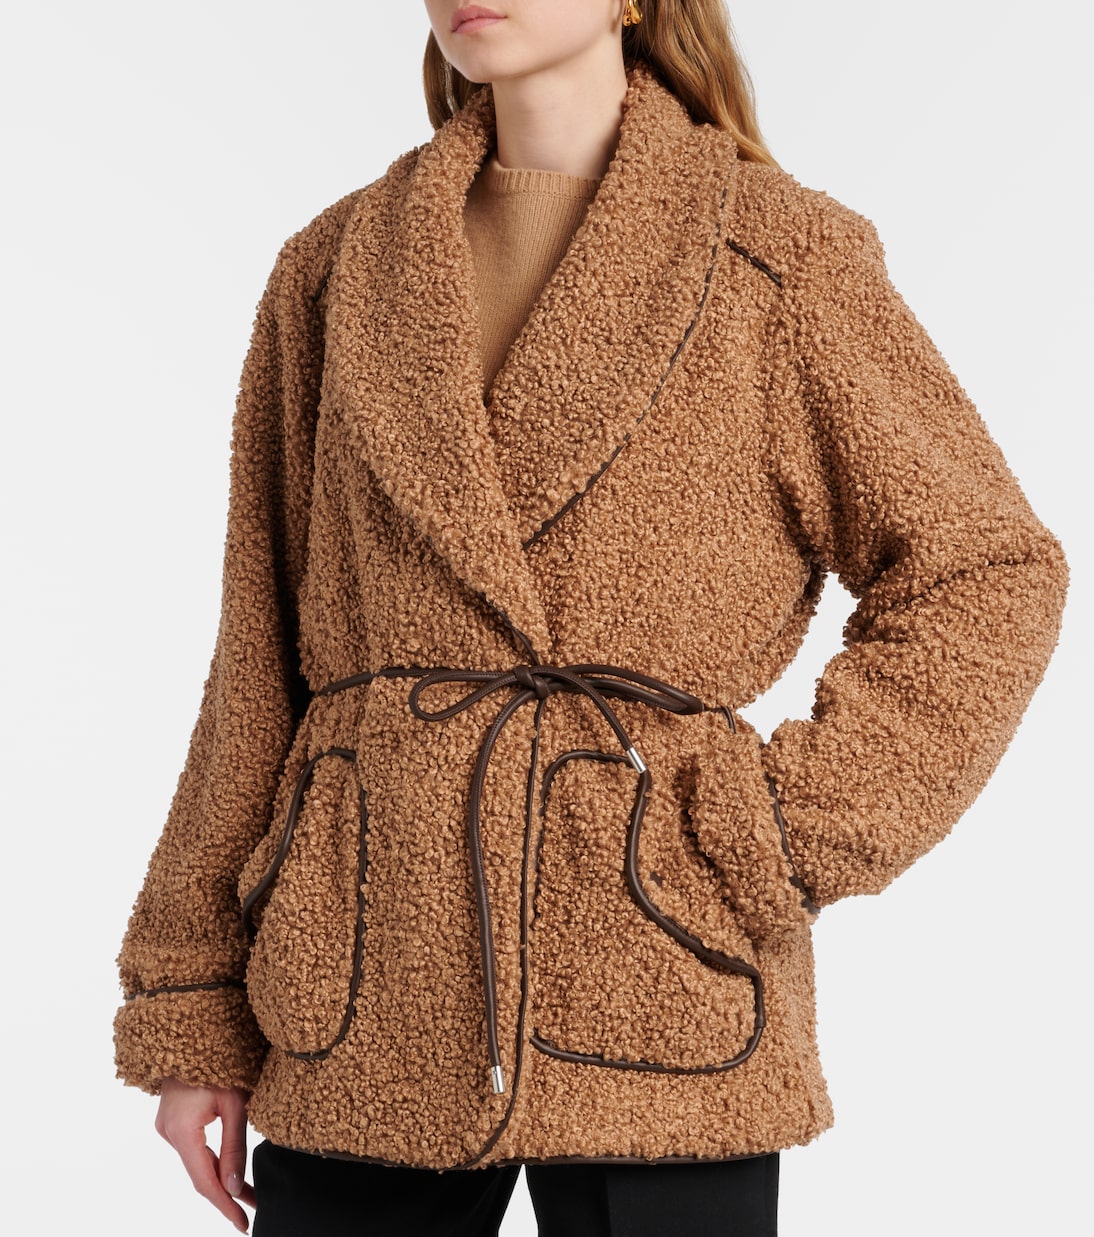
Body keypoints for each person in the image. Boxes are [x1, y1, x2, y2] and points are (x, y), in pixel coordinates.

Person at [113, 2, 1068, 1234]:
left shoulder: (777, 255)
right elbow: (256, 656)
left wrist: (773, 833)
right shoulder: (336, 270)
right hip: (368, 967)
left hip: (661, 950)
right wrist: (193, 1000)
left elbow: (984, 568)